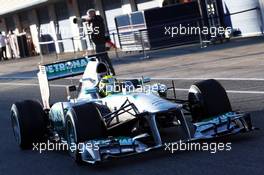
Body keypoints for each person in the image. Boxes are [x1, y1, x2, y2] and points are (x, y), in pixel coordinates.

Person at [86, 9, 116, 75]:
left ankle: (106, 72)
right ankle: (111, 71)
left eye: (89, 15)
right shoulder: (95, 20)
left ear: (92, 14)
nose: (88, 16)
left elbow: (95, 26)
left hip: (99, 42)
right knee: (105, 57)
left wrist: (89, 19)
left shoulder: (96, 19)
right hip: (100, 42)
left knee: (101, 58)